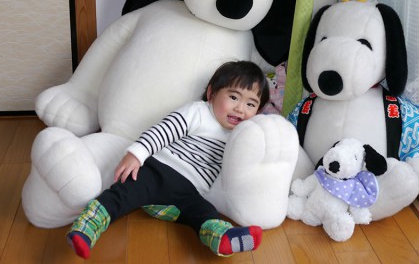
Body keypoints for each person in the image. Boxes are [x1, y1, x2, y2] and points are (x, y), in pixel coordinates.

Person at [66, 60, 270, 259]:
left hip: (189, 192)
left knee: (204, 213)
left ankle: (222, 237)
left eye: (250, 104)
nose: (240, 109)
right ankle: (86, 228)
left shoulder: (241, 135)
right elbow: (165, 130)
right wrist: (137, 154)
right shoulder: (199, 112)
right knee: (121, 194)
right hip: (158, 172)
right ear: (211, 94)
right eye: (233, 97)